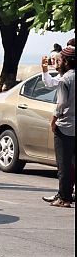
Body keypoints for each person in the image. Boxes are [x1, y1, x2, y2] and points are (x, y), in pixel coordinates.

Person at [48, 45, 75, 208]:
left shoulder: (66, 79)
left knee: (64, 164)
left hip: (65, 126)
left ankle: (64, 198)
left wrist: (53, 120)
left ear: (66, 62)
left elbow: (61, 103)